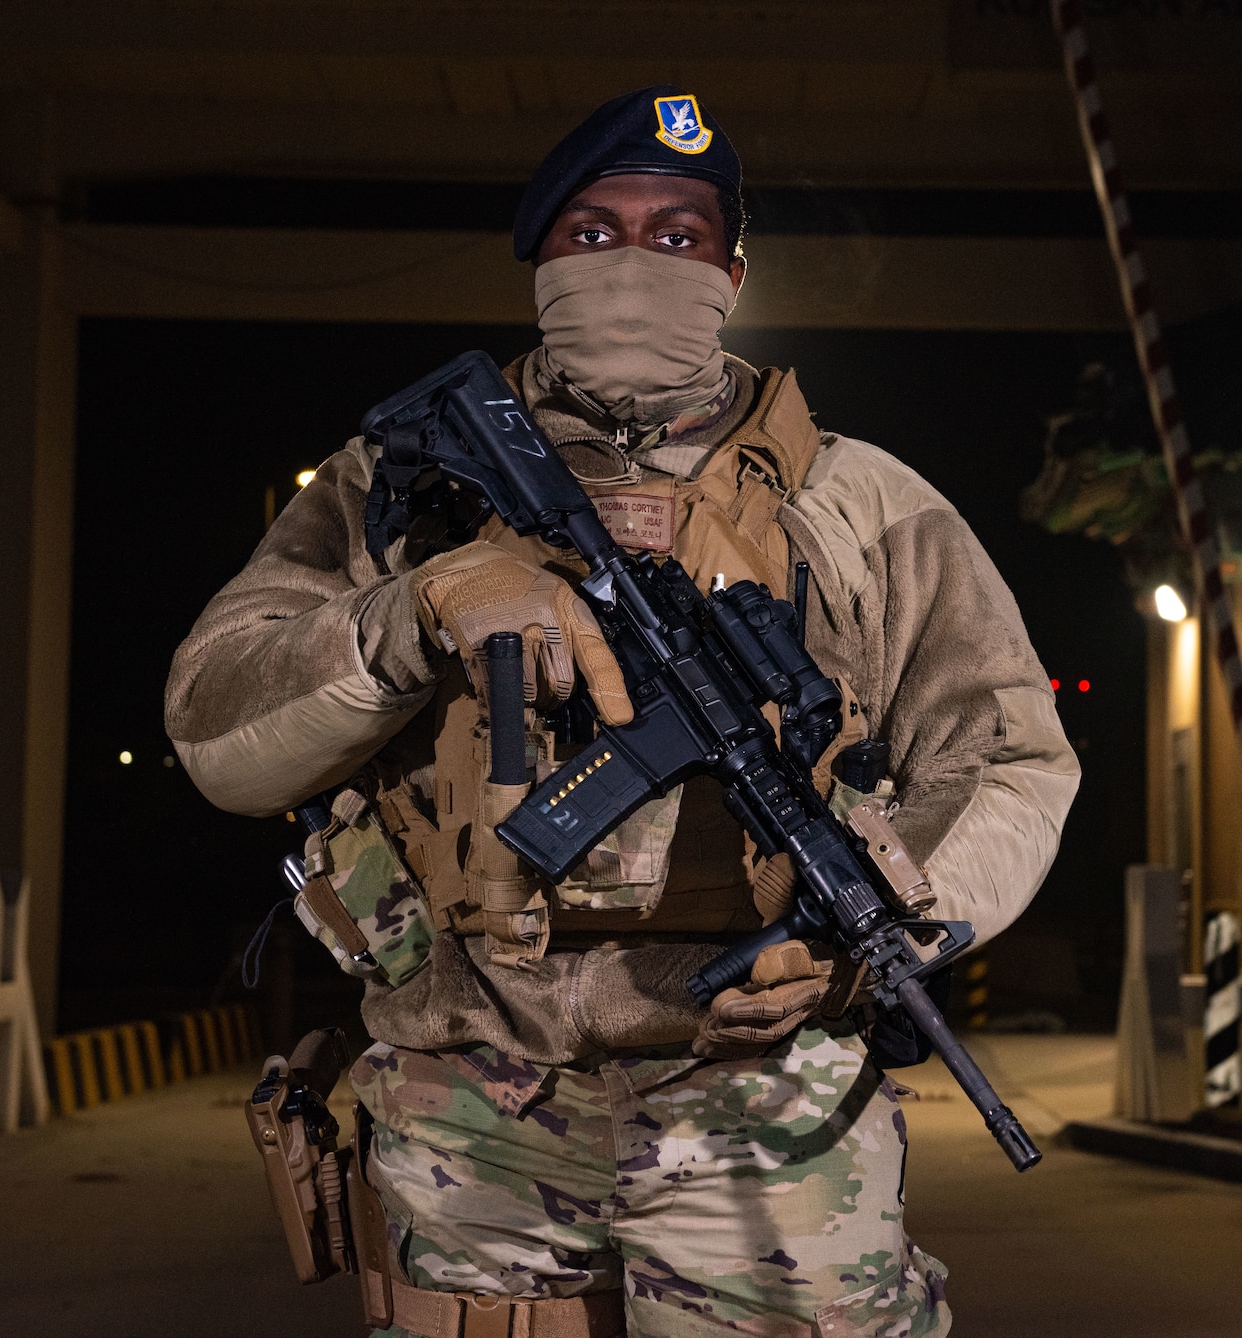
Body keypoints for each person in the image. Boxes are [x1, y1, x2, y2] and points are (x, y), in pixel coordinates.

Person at [167, 86, 1078, 1338]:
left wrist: (874, 928)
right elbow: (217, 729)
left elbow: (1009, 760)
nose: (635, 264)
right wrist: (419, 605)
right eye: (593, 233)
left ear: (732, 269)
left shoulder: (863, 500)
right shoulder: (401, 487)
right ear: (540, 261)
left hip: (765, 1098)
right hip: (470, 1095)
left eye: (678, 234)